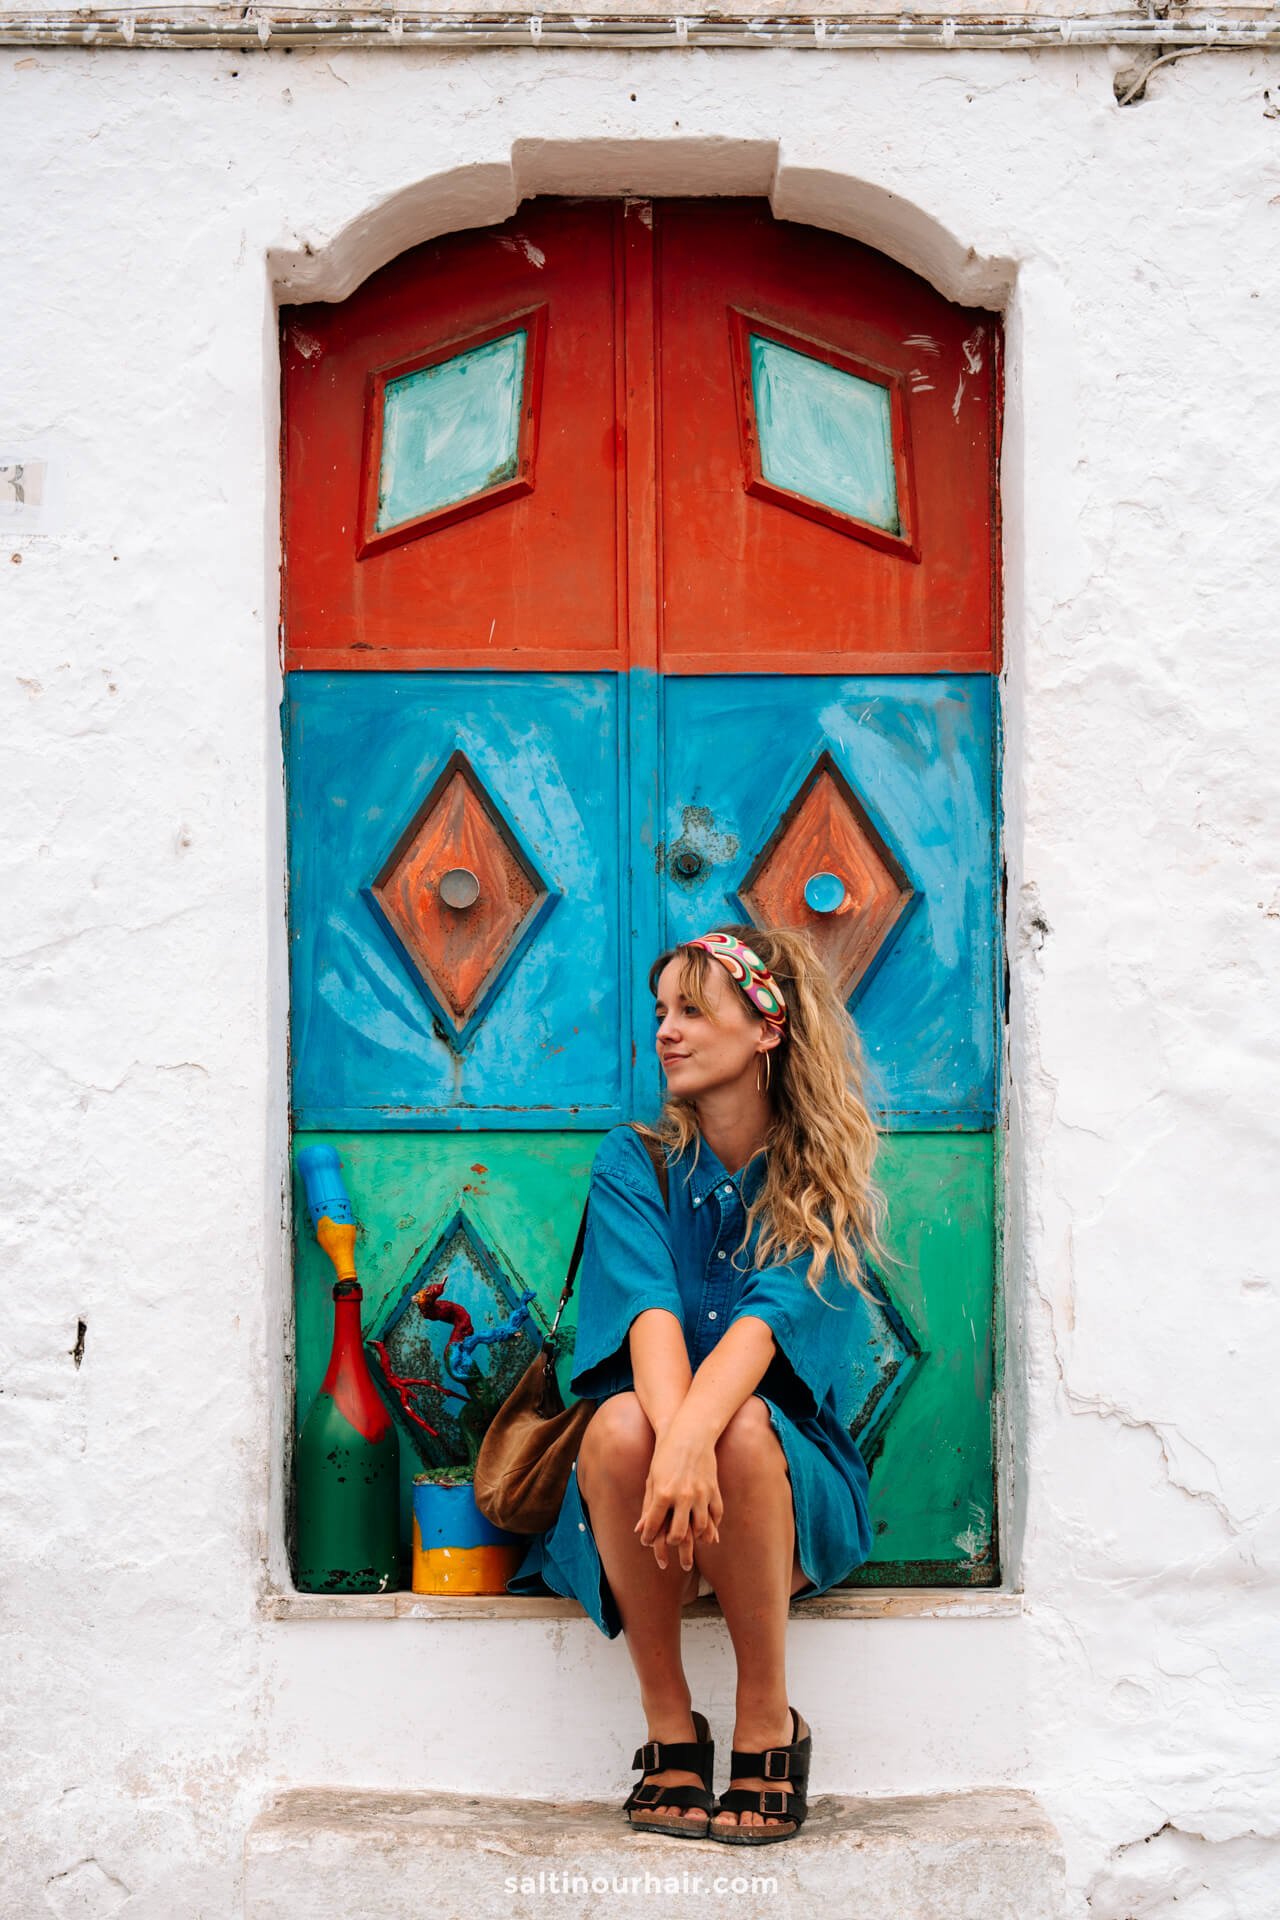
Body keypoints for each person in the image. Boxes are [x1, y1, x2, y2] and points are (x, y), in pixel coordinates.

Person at [506, 924, 886, 1846]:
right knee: (622, 1426)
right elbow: (650, 1320)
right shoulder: (632, 1161)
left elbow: (760, 1335)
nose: (666, 1032)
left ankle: (767, 1716)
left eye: (692, 1011)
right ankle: (670, 1724)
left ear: (767, 1031)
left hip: (772, 1500)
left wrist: (695, 1449)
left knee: (744, 1426)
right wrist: (674, 1450)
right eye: (661, 1013)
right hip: (647, 1509)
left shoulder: (817, 1185)